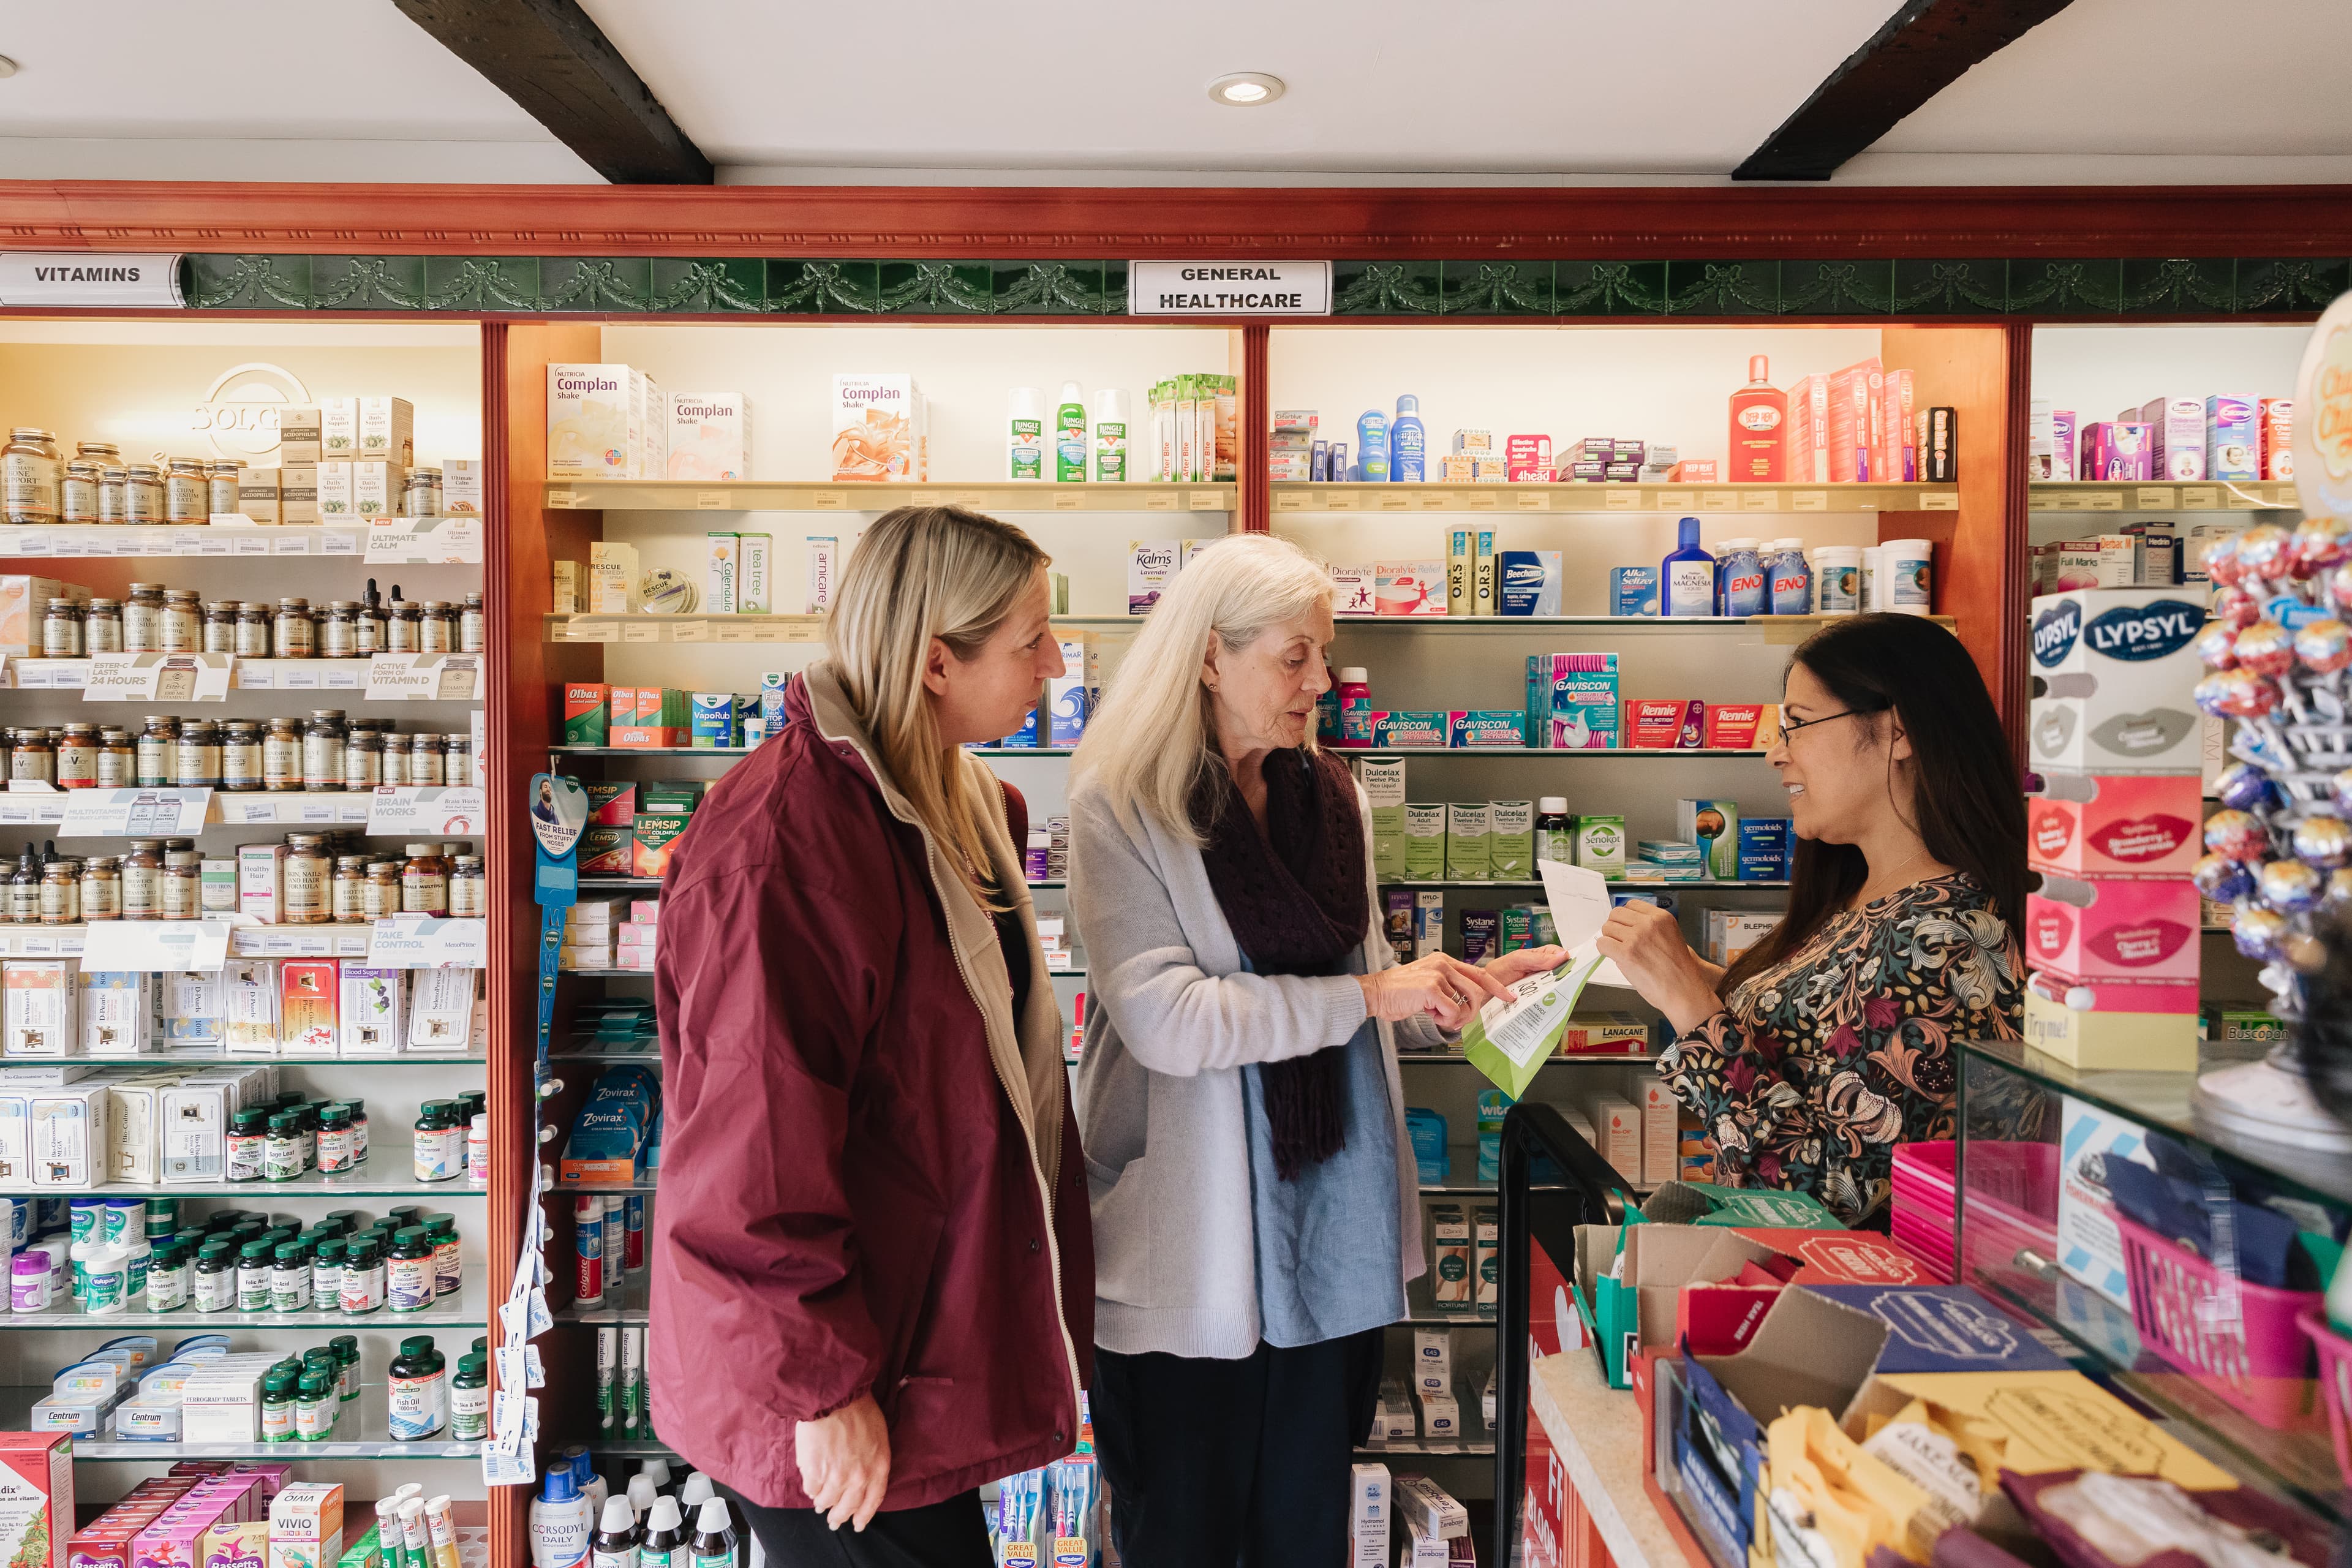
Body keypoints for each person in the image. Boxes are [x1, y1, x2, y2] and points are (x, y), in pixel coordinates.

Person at [1067, 534, 1565, 1565]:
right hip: (1190, 1259)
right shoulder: (1122, 805)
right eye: (1295, 655)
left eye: (1323, 654)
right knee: (1181, 1538)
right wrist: (1374, 992)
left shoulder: (1329, 796)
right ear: (1211, 654)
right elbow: (1170, 1017)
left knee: (1304, 1540)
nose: (1320, 681)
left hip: (1327, 1238)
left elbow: (1359, 982)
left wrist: (1448, 998)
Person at [649, 506, 1093, 1566]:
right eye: (1032, 636)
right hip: (831, 1383)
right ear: (938, 661)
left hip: (903, 1343)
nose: (1056, 660)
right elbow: (752, 1158)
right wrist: (823, 1387)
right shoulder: (786, 849)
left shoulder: (957, 803)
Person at [1597, 613, 2026, 1226]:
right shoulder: (1863, 896)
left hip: (1854, 1305)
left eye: (1797, 725)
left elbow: (1828, 1200)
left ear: (1898, 729)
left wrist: (1693, 1007)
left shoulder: (1943, 941)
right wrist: (1707, 981)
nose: (1776, 753)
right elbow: (1825, 1040)